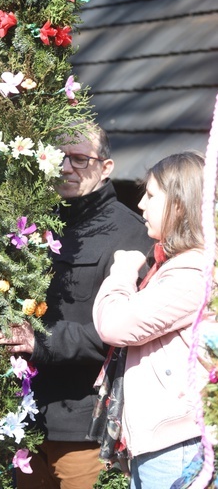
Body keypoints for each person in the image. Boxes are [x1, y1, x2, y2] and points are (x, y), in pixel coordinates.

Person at [0, 123, 153, 489]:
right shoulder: (31, 225)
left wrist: (41, 342)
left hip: (84, 430)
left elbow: (124, 335)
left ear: (106, 167)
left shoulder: (131, 234)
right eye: (58, 158)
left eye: (80, 159)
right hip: (27, 424)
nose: (66, 168)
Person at [93, 152, 210, 489]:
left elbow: (114, 324)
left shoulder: (191, 273)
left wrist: (122, 273)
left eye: (152, 195)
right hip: (164, 441)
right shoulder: (174, 266)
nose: (141, 204)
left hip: (177, 444)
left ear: (179, 204)